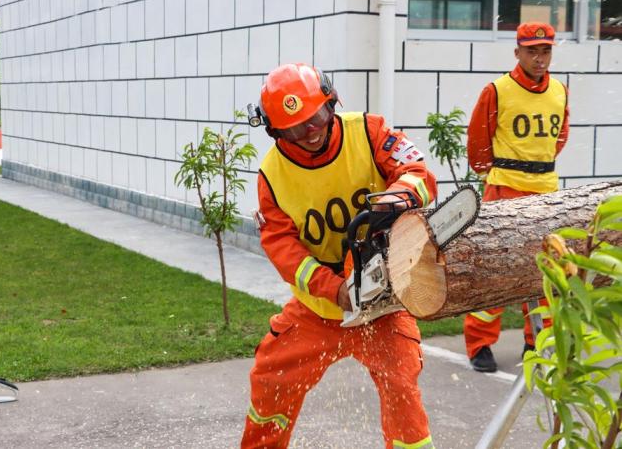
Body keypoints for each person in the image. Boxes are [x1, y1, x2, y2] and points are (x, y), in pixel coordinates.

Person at [241, 63, 437, 448]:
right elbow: (284, 250)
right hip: (319, 307)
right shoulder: (272, 176)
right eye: (297, 128)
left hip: (384, 301)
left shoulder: (369, 131)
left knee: (401, 385)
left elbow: (418, 173)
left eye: (316, 118)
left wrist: (396, 198)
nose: (311, 131)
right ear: (276, 130)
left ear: (330, 103)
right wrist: (335, 289)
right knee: (271, 379)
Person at [464, 22, 570, 373]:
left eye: (546, 51)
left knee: (545, 273)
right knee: (496, 269)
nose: (540, 59)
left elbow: (559, 137)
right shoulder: (497, 90)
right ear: (518, 52)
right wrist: (496, 175)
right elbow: (478, 143)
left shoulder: (560, 90)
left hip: (547, 192)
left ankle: (536, 341)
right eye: (532, 51)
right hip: (505, 188)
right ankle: (479, 342)